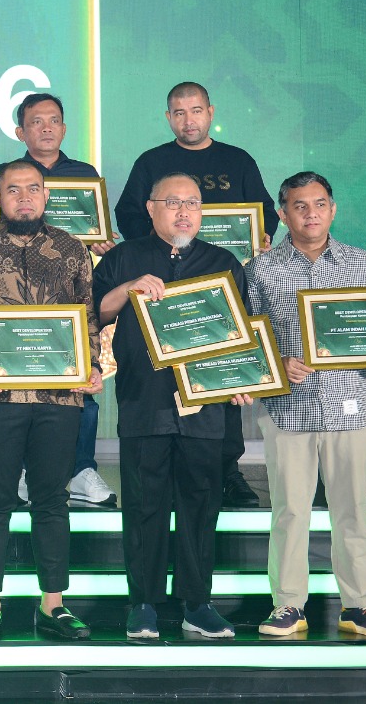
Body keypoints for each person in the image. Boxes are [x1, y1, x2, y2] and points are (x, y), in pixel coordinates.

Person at [247, 171, 366, 639]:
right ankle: (288, 606)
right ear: (282, 214)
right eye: (300, 206)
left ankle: (360, 607)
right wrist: (278, 362)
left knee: (353, 511)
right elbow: (247, 342)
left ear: (333, 209)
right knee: (289, 513)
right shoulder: (261, 270)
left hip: (352, 408)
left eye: (320, 204)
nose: (311, 213)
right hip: (289, 411)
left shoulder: (362, 264)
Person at [0, 160, 102, 641]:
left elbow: (88, 317)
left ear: (46, 195)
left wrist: (92, 365)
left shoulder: (71, 249)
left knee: (52, 497)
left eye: (33, 189)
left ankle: (54, 605)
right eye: (13, 189)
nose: (24, 197)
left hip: (60, 396)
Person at [94, 172, 252, 640]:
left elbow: (240, 332)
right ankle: (143, 603)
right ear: (150, 208)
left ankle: (197, 605)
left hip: (204, 408)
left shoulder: (223, 262)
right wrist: (129, 288)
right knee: (144, 506)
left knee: (201, 507)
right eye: (173, 202)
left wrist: (243, 378)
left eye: (193, 203)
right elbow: (94, 311)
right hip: (145, 402)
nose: (184, 212)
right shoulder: (124, 258)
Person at [114, 81, 278, 509]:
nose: (189, 120)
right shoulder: (151, 162)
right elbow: (128, 213)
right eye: (180, 112)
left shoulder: (237, 160)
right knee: (162, 377)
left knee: (220, 370)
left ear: (210, 112)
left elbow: (262, 212)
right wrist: (162, 249)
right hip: (161, 286)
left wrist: (258, 236)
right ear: (169, 118)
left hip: (218, 277)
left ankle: (229, 470)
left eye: (197, 110)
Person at [10, 91, 116, 508]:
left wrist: (102, 242)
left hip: (70, 295)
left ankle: (81, 469)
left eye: (54, 120)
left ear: (65, 128)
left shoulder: (84, 174)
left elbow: (96, 229)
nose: (46, 128)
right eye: (36, 121)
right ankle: (24, 470)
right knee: (20, 387)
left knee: (81, 384)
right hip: (17, 298)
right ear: (21, 131)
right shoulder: (8, 174)